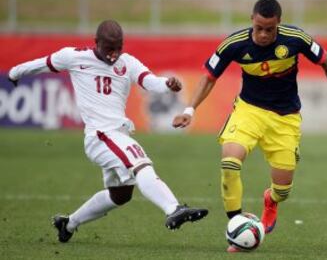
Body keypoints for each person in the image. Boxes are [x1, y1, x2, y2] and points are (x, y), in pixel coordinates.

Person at [172, 0, 327, 252]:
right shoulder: (234, 44)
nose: (264, 34)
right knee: (230, 161)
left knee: (283, 190)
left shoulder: (295, 39)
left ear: (279, 24)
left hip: (285, 119)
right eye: (259, 28)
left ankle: (271, 201)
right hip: (249, 111)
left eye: (270, 29)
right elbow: (209, 77)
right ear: (251, 21)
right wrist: (189, 110)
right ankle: (236, 223)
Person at [8, 20, 208, 243]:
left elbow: (149, 81)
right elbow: (42, 63)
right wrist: (15, 73)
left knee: (120, 196)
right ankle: (173, 209)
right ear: (96, 43)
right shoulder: (73, 57)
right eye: (109, 48)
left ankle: (69, 223)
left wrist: (167, 84)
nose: (113, 55)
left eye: (118, 48)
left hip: (117, 135)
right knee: (140, 162)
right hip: (100, 135)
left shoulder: (127, 63)